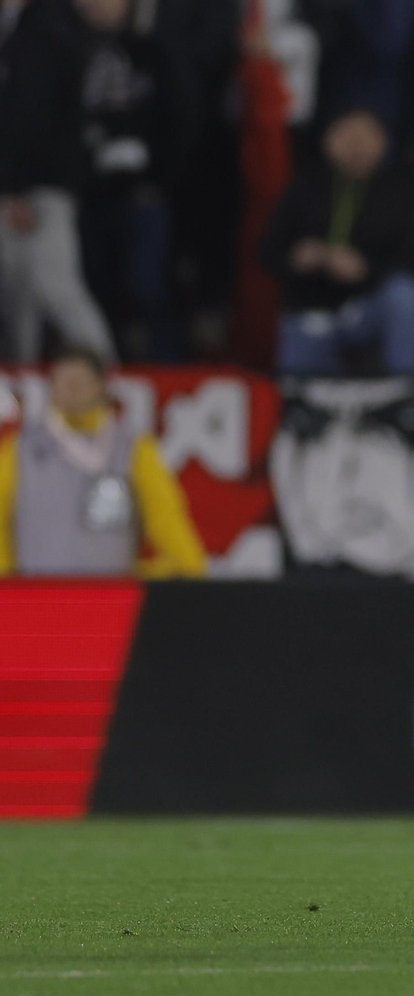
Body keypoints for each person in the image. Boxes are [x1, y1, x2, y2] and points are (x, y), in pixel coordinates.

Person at [0, 346, 206, 577]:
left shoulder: (132, 450)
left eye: (80, 382)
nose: (71, 389)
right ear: (50, 387)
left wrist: (143, 577)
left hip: (110, 604)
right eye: (63, 381)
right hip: (36, 602)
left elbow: (169, 523)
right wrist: (8, 587)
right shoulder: (20, 449)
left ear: (101, 386)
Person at [261, 107, 414, 376]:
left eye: (365, 136)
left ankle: (404, 387)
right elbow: (267, 251)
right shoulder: (305, 184)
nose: (356, 146)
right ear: (328, 140)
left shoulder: (400, 190)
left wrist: (365, 268)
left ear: (382, 142)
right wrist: (299, 256)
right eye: (347, 135)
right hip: (313, 307)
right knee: (300, 384)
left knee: (405, 295)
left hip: (369, 303)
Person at [0, 0, 117, 363]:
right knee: (17, 299)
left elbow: (31, 112)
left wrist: (12, 187)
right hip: (27, 184)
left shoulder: (46, 23)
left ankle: (107, 382)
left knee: (54, 287)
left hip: (39, 187)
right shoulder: (28, 22)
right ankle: (17, 400)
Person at [74, 0, 192, 361]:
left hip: (145, 193)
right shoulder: (63, 51)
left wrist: (157, 178)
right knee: (96, 290)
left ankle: (171, 374)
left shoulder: (154, 50)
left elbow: (182, 116)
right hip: (87, 195)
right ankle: (111, 377)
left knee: (150, 288)